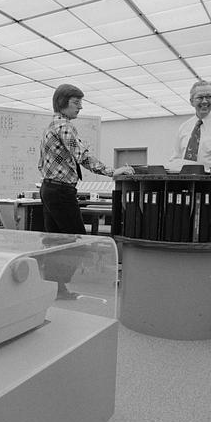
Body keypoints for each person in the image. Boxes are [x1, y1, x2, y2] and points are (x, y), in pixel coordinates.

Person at [38, 83, 134, 298]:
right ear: (63, 103)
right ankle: (59, 287)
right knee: (76, 239)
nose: (80, 107)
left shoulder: (50, 126)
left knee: (55, 241)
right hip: (61, 191)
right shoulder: (64, 126)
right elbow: (83, 156)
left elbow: (43, 162)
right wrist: (112, 172)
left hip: (49, 188)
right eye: (76, 102)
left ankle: (56, 288)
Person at [169, 79, 211, 167]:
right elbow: (176, 158)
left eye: (209, 97)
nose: (205, 101)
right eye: (200, 97)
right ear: (191, 101)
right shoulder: (184, 127)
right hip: (186, 179)